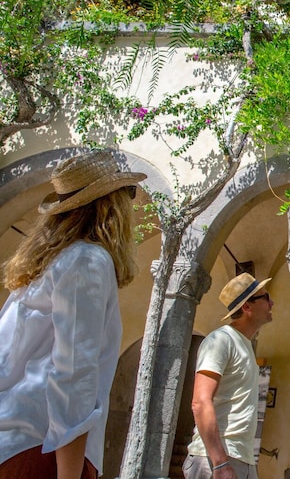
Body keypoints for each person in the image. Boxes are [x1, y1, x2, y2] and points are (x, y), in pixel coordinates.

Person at [0, 151, 146, 479]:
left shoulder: (47, 264)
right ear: (111, 204)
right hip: (42, 451)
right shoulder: (87, 261)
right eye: (129, 193)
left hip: (15, 442)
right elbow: (73, 375)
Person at [183, 272, 274, 479]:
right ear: (247, 307)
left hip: (241, 459)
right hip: (216, 460)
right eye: (266, 297)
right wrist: (220, 462)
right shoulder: (222, 340)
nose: (272, 303)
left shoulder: (245, 346)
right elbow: (200, 401)